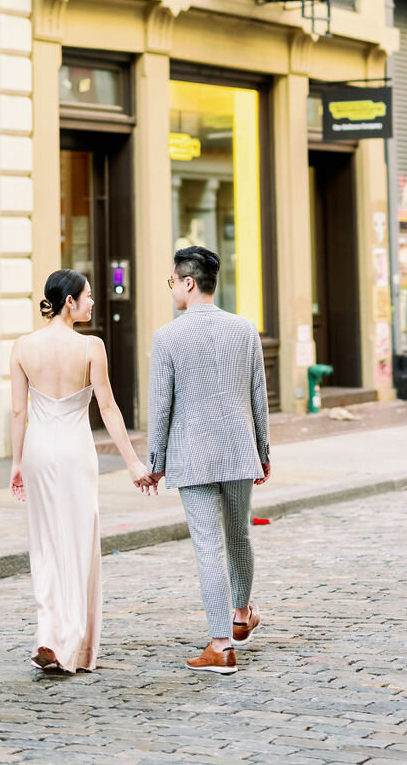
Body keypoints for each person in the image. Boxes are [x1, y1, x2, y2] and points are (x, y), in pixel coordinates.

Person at [9, 269, 156, 674]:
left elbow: (19, 411)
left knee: (44, 546)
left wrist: (17, 462)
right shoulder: (92, 347)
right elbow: (107, 409)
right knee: (77, 545)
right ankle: (70, 643)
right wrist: (132, 463)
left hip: (39, 449)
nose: (93, 302)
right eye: (88, 296)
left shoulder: (22, 346)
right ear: (69, 302)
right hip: (75, 451)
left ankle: (48, 634)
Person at [147, 245, 270, 676]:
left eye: (173, 282)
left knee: (209, 547)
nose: (173, 290)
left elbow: (160, 407)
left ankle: (220, 646)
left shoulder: (168, 337)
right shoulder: (244, 330)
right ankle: (240, 616)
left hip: (193, 454)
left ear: (188, 283)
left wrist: (155, 460)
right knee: (238, 537)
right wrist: (264, 453)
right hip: (239, 448)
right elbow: (260, 399)